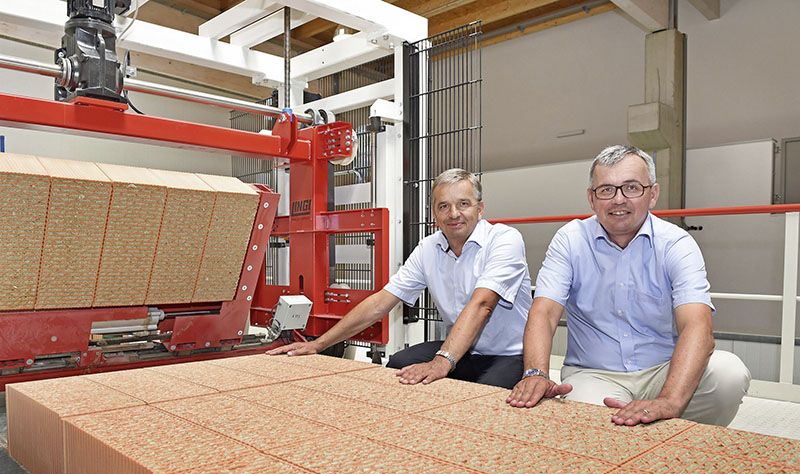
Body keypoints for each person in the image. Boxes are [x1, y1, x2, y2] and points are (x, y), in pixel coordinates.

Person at [506, 145, 750, 426]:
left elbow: (698, 327)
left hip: (663, 370)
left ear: (653, 194)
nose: (618, 200)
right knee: (587, 417)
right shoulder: (570, 240)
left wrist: (668, 400)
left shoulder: (676, 243)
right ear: (591, 198)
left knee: (728, 374)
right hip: (594, 374)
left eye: (632, 188)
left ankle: (684, 445)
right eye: (606, 190)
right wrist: (535, 373)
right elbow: (544, 312)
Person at [269, 168, 532, 389]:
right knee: (397, 365)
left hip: (509, 355)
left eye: (463, 204)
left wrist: (441, 362)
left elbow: (482, 304)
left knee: (484, 398)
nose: (454, 214)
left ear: (480, 208)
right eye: (444, 206)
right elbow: (381, 302)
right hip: (463, 352)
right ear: (434, 215)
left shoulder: (505, 240)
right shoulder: (428, 248)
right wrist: (318, 344)